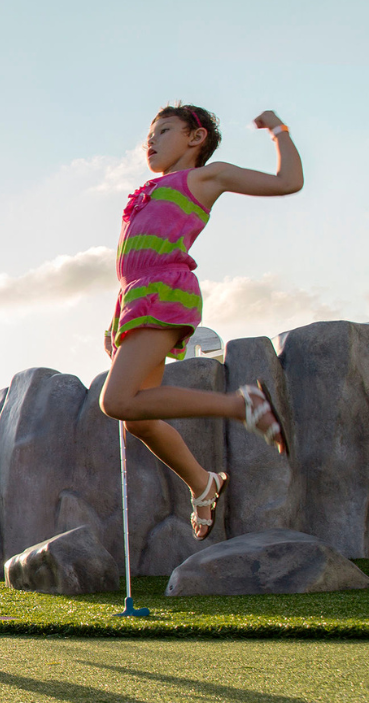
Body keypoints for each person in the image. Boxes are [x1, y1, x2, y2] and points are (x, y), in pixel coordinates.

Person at [99, 105, 300, 539]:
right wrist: (117, 317)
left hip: (165, 290)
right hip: (136, 297)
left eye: (164, 130)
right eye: (148, 135)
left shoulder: (205, 178)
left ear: (196, 137)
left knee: (115, 402)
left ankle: (241, 405)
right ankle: (204, 484)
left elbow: (289, 182)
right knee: (136, 418)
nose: (150, 141)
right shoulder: (150, 190)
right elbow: (131, 262)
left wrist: (278, 130)